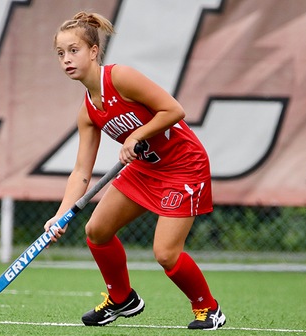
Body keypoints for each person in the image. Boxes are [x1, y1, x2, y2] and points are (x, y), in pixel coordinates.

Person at [44, 11, 226, 330]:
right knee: (96, 232)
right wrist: (60, 215)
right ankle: (122, 299)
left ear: (93, 51)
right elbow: (81, 174)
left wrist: (136, 134)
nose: (66, 60)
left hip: (183, 166)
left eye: (74, 50)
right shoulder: (88, 112)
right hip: (145, 170)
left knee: (166, 253)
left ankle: (209, 309)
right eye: (60, 53)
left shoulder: (120, 77)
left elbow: (174, 110)